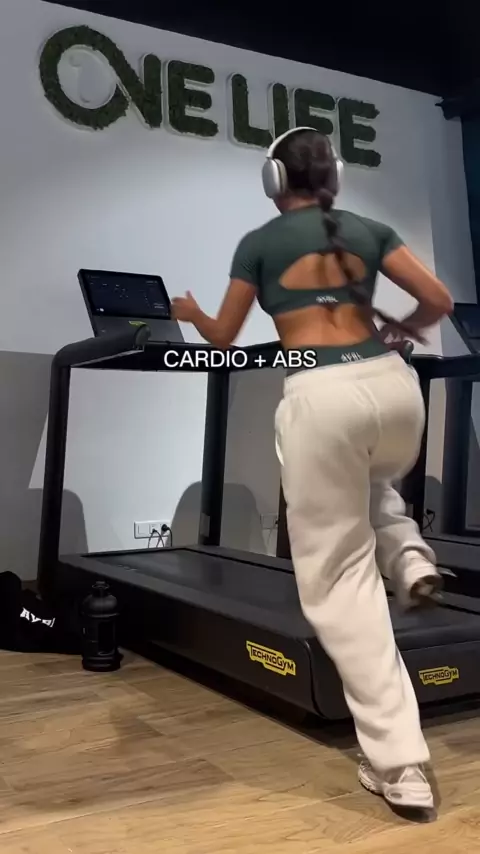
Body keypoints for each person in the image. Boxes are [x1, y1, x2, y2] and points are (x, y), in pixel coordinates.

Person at [172, 127, 453, 814]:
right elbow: (438, 300)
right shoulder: (371, 229)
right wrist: (402, 330)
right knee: (369, 482)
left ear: (274, 182)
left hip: (321, 394)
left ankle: (398, 763)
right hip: (395, 391)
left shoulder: (259, 243)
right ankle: (409, 556)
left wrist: (190, 313)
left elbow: (223, 336)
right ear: (335, 176)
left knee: (340, 582)